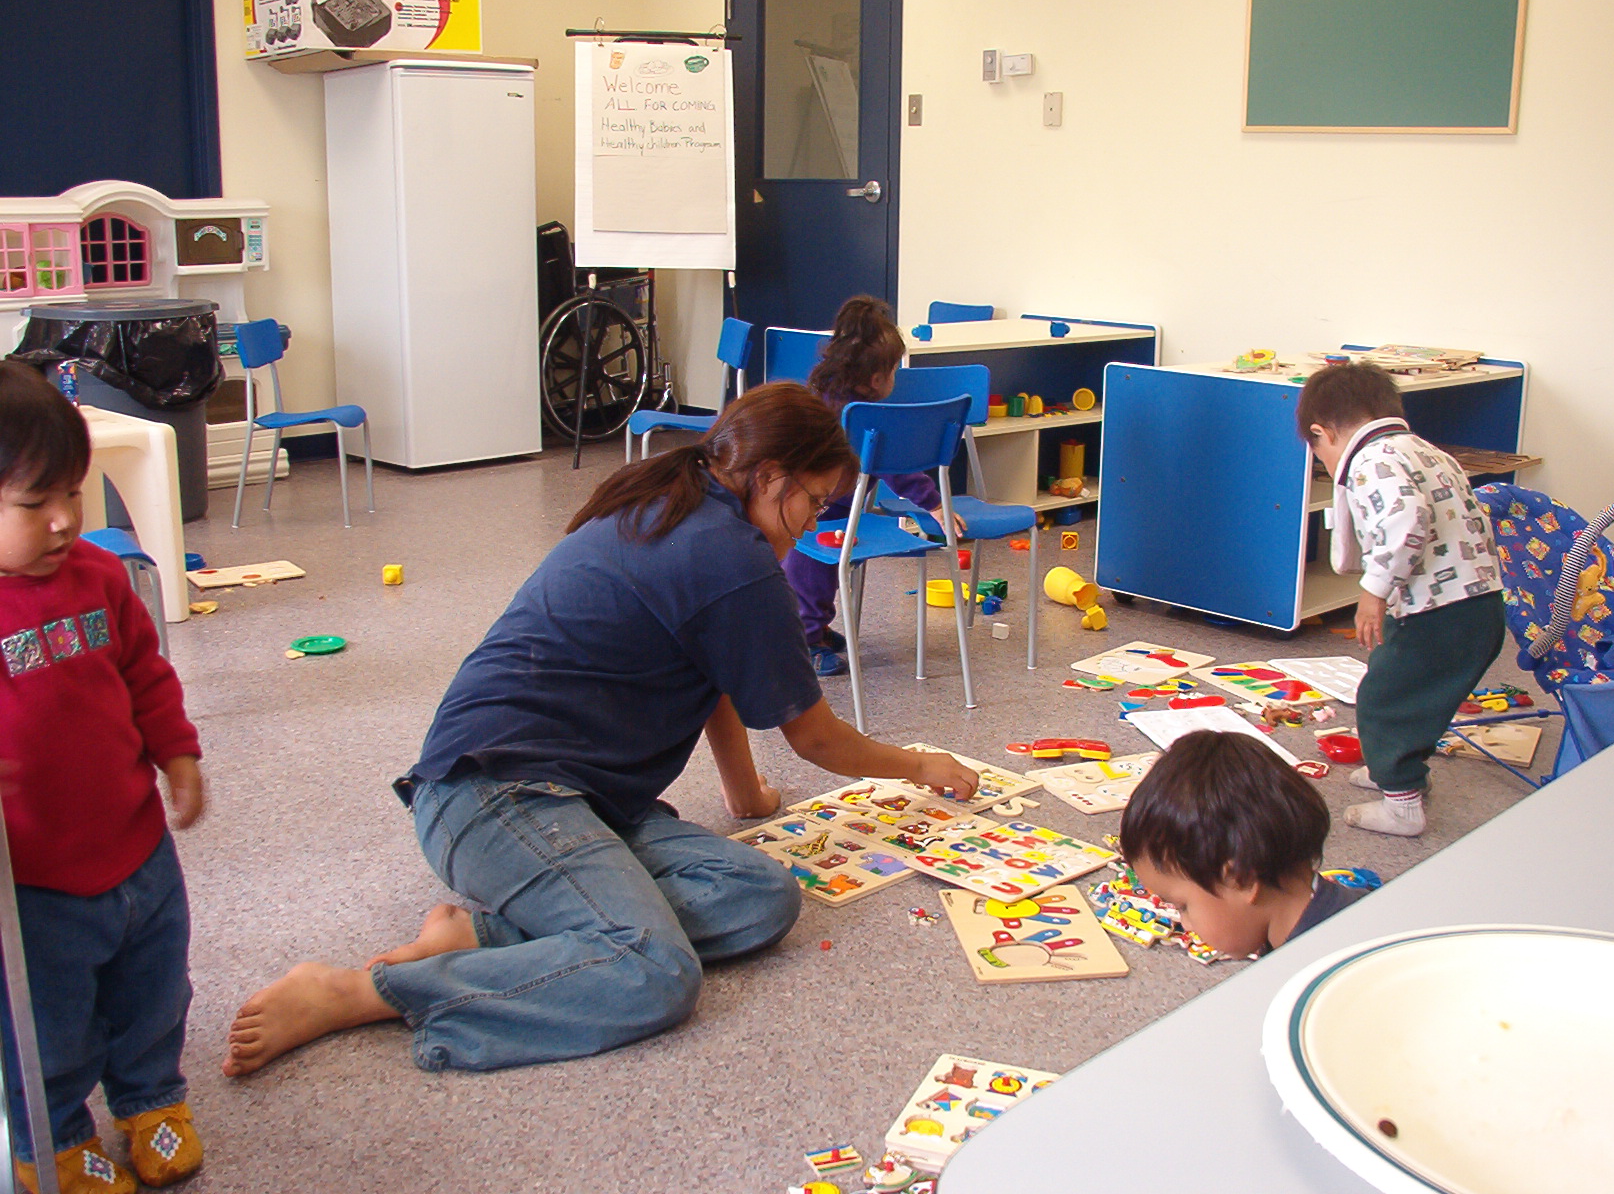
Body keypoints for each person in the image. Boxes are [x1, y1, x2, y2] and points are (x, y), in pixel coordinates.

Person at [224, 382, 978, 1078]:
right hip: (493, 795)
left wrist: (743, 792)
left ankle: (480, 941)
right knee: (653, 974)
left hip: (580, 800)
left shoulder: (681, 500)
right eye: (814, 501)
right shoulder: (731, 555)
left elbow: (708, 666)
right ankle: (362, 992)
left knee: (761, 896)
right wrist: (919, 764)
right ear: (771, 476)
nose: (816, 522)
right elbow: (815, 739)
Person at [0, 362, 206, 1194]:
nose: (61, 521)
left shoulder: (98, 578)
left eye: (74, 495)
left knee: (155, 989)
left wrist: (178, 753)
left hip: (138, 848)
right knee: (43, 1024)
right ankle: (53, 1137)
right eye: (32, 503)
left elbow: (145, 674)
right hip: (34, 884)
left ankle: (152, 1098)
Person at [1297, 360, 1506, 837]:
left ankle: (1403, 806)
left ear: (1321, 433)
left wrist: (1372, 593)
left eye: (1317, 452)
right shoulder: (1426, 451)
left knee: (1385, 699)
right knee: (1418, 693)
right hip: (1477, 604)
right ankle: (1396, 770)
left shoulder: (1373, 461)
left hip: (1439, 610)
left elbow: (1405, 521)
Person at [785, 296, 965, 676]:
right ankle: (805, 640)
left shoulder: (834, 393)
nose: (897, 379)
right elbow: (894, 468)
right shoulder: (859, 413)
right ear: (874, 380)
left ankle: (812, 629)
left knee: (819, 573)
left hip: (828, 503)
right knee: (810, 570)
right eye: (894, 371)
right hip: (813, 506)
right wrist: (933, 503)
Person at [1118, 731, 1371, 958]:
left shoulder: (1314, 973)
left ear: (1242, 879)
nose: (1186, 925)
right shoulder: (1348, 907)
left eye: (1182, 906)